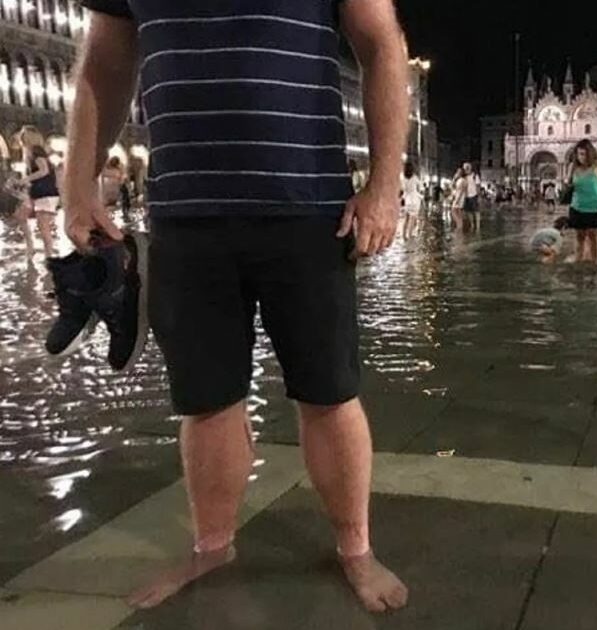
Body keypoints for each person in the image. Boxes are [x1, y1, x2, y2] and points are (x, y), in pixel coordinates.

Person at [67, 0, 410, 613]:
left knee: (329, 393)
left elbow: (382, 43)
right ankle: (212, 545)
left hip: (309, 209)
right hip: (185, 214)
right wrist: (76, 183)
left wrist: (385, 183)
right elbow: (104, 62)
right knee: (206, 401)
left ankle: (355, 547)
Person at [566, 139, 597, 264]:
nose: (582, 157)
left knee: (593, 236)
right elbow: (568, 183)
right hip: (577, 206)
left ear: (590, 153)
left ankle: (595, 262)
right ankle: (578, 260)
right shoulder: (573, 167)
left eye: (585, 154)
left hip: (595, 207)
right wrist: (567, 183)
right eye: (579, 154)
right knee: (579, 236)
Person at [19, 127, 60, 259]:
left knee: (43, 227)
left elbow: (44, 171)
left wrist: (26, 179)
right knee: (21, 215)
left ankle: (49, 257)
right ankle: (31, 246)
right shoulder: (32, 153)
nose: (22, 141)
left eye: (24, 138)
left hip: (45, 193)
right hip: (39, 193)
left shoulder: (36, 152)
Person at [400, 162, 423, 239]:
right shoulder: (415, 177)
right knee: (412, 220)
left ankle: (403, 236)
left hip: (407, 200)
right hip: (414, 200)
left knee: (406, 219)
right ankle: (409, 236)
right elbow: (421, 186)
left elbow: (402, 189)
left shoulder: (403, 178)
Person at [459, 162, 481, 230]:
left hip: (474, 195)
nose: (466, 170)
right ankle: (472, 225)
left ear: (470, 168)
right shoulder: (464, 177)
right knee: (468, 212)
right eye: (465, 169)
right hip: (467, 196)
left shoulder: (475, 176)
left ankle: (478, 226)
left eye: (467, 168)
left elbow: (478, 186)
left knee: (476, 211)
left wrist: (479, 196)